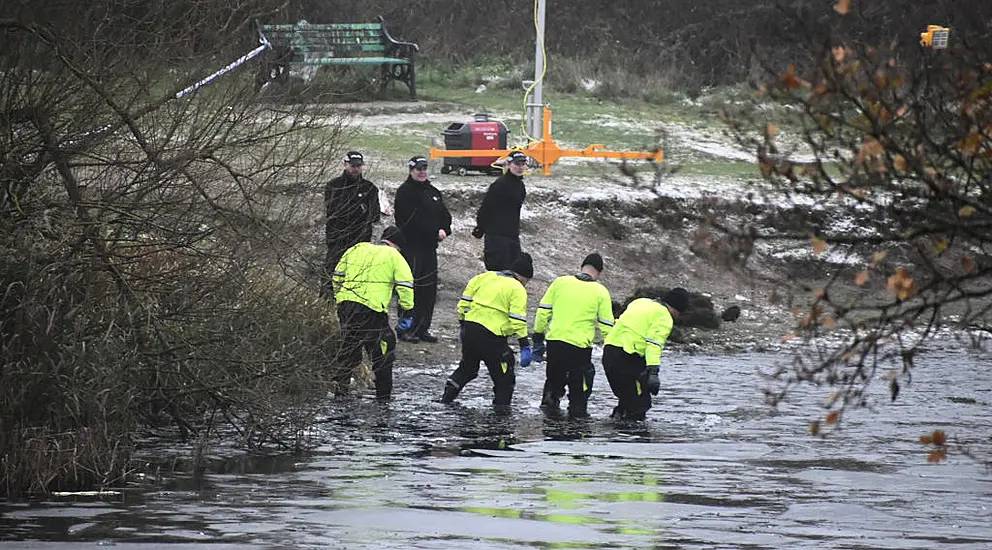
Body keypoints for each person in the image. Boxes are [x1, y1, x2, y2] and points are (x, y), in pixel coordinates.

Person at [439, 253, 535, 411]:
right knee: (504, 377)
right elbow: (517, 319)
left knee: (467, 368)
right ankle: (501, 415)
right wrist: (524, 344)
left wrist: (463, 324)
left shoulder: (484, 277)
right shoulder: (517, 288)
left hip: (470, 330)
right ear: (523, 277)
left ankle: (445, 400)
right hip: (492, 338)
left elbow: (464, 302)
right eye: (527, 282)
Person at [331, 226, 415, 398]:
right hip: (372, 310)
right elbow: (406, 286)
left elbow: (337, 276)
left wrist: (339, 297)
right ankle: (383, 399)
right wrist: (407, 310)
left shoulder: (357, 249)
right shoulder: (394, 256)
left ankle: (340, 392)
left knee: (349, 347)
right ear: (397, 246)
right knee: (383, 349)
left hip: (347, 306)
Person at [532, 253, 615, 419]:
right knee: (579, 393)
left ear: (582, 266)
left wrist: (538, 337)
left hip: (555, 342)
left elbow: (543, 311)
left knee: (553, 385)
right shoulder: (600, 291)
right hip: (579, 348)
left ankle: (549, 427)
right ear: (598, 272)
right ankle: (576, 431)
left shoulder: (560, 282)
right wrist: (612, 345)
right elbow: (606, 325)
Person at [602, 287, 689, 421]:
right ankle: (634, 438)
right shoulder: (664, 316)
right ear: (677, 309)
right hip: (627, 357)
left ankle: (616, 430)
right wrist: (653, 372)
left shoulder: (640, 302)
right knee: (639, 406)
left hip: (609, 353)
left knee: (627, 399)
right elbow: (654, 344)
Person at [393, 156, 453, 343]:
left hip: (429, 250)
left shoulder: (432, 191)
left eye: (424, 168)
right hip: (412, 248)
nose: (422, 171)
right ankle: (405, 328)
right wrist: (432, 232)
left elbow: (445, 215)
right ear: (411, 170)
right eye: (418, 169)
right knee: (410, 290)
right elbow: (407, 222)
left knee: (428, 292)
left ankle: (422, 328)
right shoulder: (405, 192)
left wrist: (444, 229)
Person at [324, 151, 381, 296]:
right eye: (353, 165)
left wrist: (359, 211)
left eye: (358, 166)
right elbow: (335, 212)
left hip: (360, 242)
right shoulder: (333, 186)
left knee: (356, 279)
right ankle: (325, 307)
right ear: (345, 165)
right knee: (330, 276)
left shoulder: (369, 188)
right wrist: (359, 209)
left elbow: (374, 215)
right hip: (337, 240)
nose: (356, 169)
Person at [472, 150, 527, 271]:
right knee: (498, 272)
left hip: (512, 236)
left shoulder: (520, 186)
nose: (520, 167)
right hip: (496, 236)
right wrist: (480, 228)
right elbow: (486, 208)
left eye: (522, 164)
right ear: (508, 164)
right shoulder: (500, 185)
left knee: (513, 272)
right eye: (517, 164)